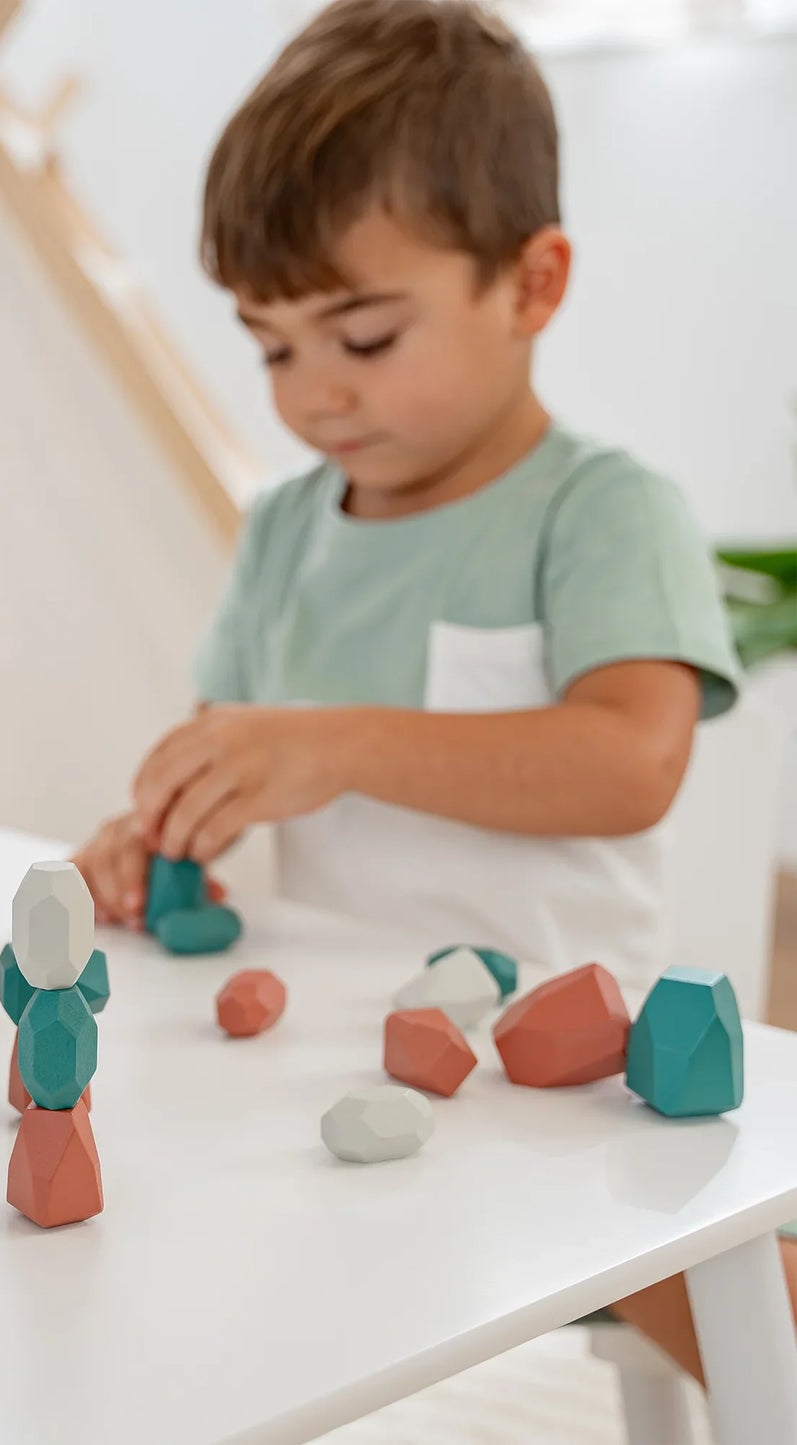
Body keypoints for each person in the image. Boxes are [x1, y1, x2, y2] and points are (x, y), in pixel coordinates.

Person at [71, 0, 739, 989]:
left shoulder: (602, 511)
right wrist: (153, 832)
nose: (312, 393)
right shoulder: (284, 529)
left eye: (366, 338)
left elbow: (632, 765)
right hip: (340, 1046)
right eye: (272, 347)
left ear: (530, 285)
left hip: (559, 1077)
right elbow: (231, 755)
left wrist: (338, 743)